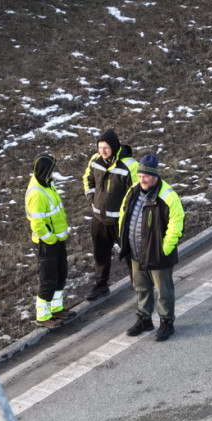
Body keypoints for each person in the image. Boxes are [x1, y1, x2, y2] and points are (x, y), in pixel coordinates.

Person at [117, 154, 185, 342]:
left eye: (145, 176)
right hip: (136, 252)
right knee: (141, 287)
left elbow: (177, 223)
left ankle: (166, 323)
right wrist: (125, 239)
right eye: (139, 176)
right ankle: (144, 319)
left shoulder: (168, 195)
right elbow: (124, 214)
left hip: (157, 254)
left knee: (164, 290)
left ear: (155, 175)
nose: (142, 180)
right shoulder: (133, 190)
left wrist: (165, 248)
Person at [82, 128, 139, 301]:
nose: (102, 151)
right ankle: (101, 286)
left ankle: (140, 288)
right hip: (99, 219)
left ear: (114, 146)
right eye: (99, 148)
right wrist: (91, 199)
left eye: (105, 148)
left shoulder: (130, 166)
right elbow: (87, 179)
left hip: (120, 222)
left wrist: (128, 214)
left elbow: (137, 192)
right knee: (100, 254)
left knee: (132, 256)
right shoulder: (95, 160)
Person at [25, 154, 74, 329]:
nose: (54, 173)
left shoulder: (47, 184)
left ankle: (56, 308)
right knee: (48, 279)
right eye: (51, 170)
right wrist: (51, 239)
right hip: (48, 244)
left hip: (57, 241)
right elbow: (37, 225)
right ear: (44, 172)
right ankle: (43, 316)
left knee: (61, 274)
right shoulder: (37, 194)